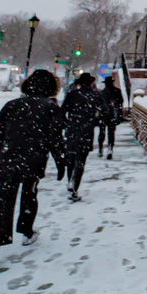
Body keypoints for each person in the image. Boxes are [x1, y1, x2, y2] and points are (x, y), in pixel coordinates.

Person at [0, 69, 65, 269]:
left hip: (9, 156)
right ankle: (26, 230)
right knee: (30, 193)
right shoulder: (50, 107)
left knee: (4, 200)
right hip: (33, 158)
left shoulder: (12, 105)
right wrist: (61, 161)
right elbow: (55, 138)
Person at [61, 73, 107, 201]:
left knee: (70, 158)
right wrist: (95, 120)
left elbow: (62, 111)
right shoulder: (96, 95)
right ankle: (74, 186)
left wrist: (67, 123)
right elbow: (104, 111)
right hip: (87, 130)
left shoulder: (72, 94)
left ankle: (70, 180)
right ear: (91, 83)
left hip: (72, 129)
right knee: (81, 160)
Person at [97, 74, 125, 159]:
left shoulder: (102, 92)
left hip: (103, 115)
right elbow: (120, 102)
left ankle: (101, 148)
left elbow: (98, 104)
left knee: (102, 133)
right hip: (112, 115)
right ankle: (109, 148)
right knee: (111, 133)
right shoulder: (117, 91)